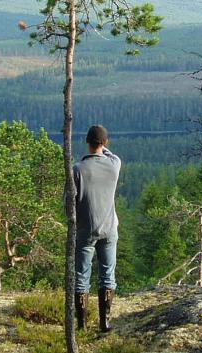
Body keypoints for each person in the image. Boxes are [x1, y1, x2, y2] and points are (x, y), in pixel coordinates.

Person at [73, 125, 121, 332]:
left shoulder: (77, 169)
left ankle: (82, 325)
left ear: (87, 143)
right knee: (107, 275)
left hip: (86, 230)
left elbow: (69, 202)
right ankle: (105, 322)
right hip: (110, 229)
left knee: (82, 277)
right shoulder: (114, 165)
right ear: (105, 143)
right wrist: (105, 148)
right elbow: (111, 155)